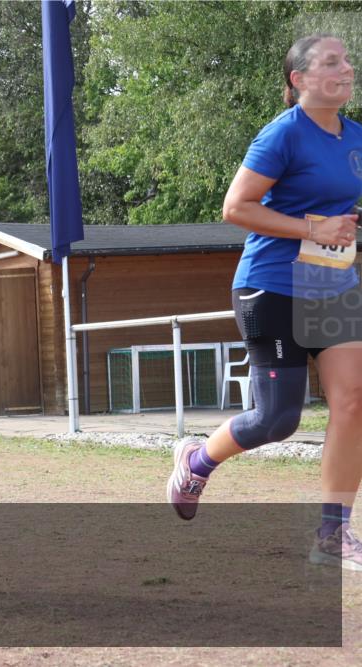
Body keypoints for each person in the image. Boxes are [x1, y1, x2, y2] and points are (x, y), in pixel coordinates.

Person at [167, 34, 362, 570]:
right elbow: (236, 207)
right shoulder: (283, 135)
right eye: (332, 62)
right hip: (272, 284)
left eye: (347, 60)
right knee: (278, 421)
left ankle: (332, 533)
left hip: (331, 284)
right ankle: (197, 459)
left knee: (353, 401)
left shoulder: (356, 138)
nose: (347, 68)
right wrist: (313, 226)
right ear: (299, 80)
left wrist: (342, 228)